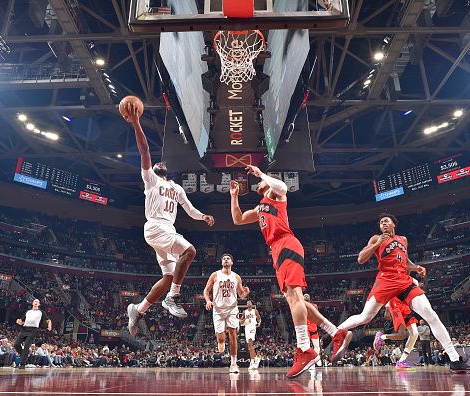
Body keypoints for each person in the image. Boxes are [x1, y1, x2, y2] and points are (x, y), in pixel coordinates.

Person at [229, 166, 347, 378]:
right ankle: (335, 333)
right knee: (297, 299)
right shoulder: (261, 207)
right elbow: (237, 219)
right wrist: (234, 196)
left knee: (294, 299)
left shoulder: (276, 196)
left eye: (261, 183)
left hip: (285, 244)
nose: (258, 185)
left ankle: (304, 348)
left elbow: (283, 186)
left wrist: (261, 174)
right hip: (278, 250)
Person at [336, 213, 470, 373]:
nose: (383, 224)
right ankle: (335, 332)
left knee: (430, 316)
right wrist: (377, 243)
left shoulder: (403, 240)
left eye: (386, 221)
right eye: (381, 222)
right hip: (386, 281)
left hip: (404, 281)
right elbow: (361, 259)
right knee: (367, 317)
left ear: (393, 225)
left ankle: (454, 360)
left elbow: (405, 261)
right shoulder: (375, 238)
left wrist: (416, 267)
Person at [122, 101, 215, 334]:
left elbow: (190, 210)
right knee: (190, 251)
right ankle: (173, 297)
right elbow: (144, 151)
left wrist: (203, 216)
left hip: (166, 230)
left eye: (162, 164)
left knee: (168, 276)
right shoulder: (150, 180)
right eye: (156, 164)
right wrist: (136, 123)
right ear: (153, 170)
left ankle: (139, 309)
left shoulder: (177, 188)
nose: (159, 163)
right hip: (155, 226)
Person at [203, 253, 249, 373]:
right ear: (221, 262)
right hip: (218, 309)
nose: (226, 260)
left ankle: (233, 364)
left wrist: (245, 292)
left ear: (232, 262)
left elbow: (241, 295)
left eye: (228, 258)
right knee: (221, 339)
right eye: (224, 258)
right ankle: (221, 342)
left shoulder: (236, 277)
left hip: (232, 308)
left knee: (233, 334)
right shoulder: (215, 275)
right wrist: (208, 301)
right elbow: (206, 290)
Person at [373, 295, 419, 370]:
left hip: (406, 305)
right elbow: (390, 289)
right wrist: (387, 308)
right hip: (395, 303)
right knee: (402, 335)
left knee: (414, 334)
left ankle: (401, 361)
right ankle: (381, 336)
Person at [14, 299, 52, 369]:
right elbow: (22, 322)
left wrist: (49, 326)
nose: (36, 303)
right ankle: (24, 354)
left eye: (37, 302)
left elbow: (48, 320)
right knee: (16, 345)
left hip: (33, 330)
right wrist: (18, 321)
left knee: (26, 346)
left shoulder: (41, 312)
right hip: (24, 329)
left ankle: (22, 364)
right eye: (35, 301)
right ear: (32, 303)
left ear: (39, 304)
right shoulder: (28, 312)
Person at [242, 300, 261, 370]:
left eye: (249, 302)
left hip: (252, 327)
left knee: (250, 342)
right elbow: (242, 322)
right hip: (247, 327)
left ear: (252, 304)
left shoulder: (255, 311)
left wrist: (259, 323)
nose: (248, 304)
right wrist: (245, 320)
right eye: (247, 303)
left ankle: (253, 360)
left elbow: (259, 318)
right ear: (246, 305)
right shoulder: (244, 312)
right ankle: (254, 359)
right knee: (249, 345)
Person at [303, 294, 321, 367]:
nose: (306, 296)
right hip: (308, 328)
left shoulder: (313, 306)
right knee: (310, 346)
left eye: (307, 296)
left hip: (310, 328)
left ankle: (315, 359)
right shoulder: (313, 306)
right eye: (305, 296)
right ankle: (312, 360)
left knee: (314, 346)